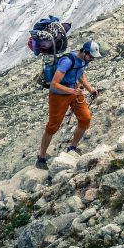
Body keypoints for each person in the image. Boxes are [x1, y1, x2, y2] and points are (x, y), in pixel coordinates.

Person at [36, 40, 99, 169]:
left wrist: (90, 89)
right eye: (91, 56)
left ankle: (73, 147)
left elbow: (80, 75)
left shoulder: (83, 61)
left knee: (85, 118)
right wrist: (71, 91)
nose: (92, 59)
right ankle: (41, 157)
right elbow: (54, 84)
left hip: (74, 90)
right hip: (59, 95)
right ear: (84, 52)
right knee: (53, 126)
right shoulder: (67, 61)